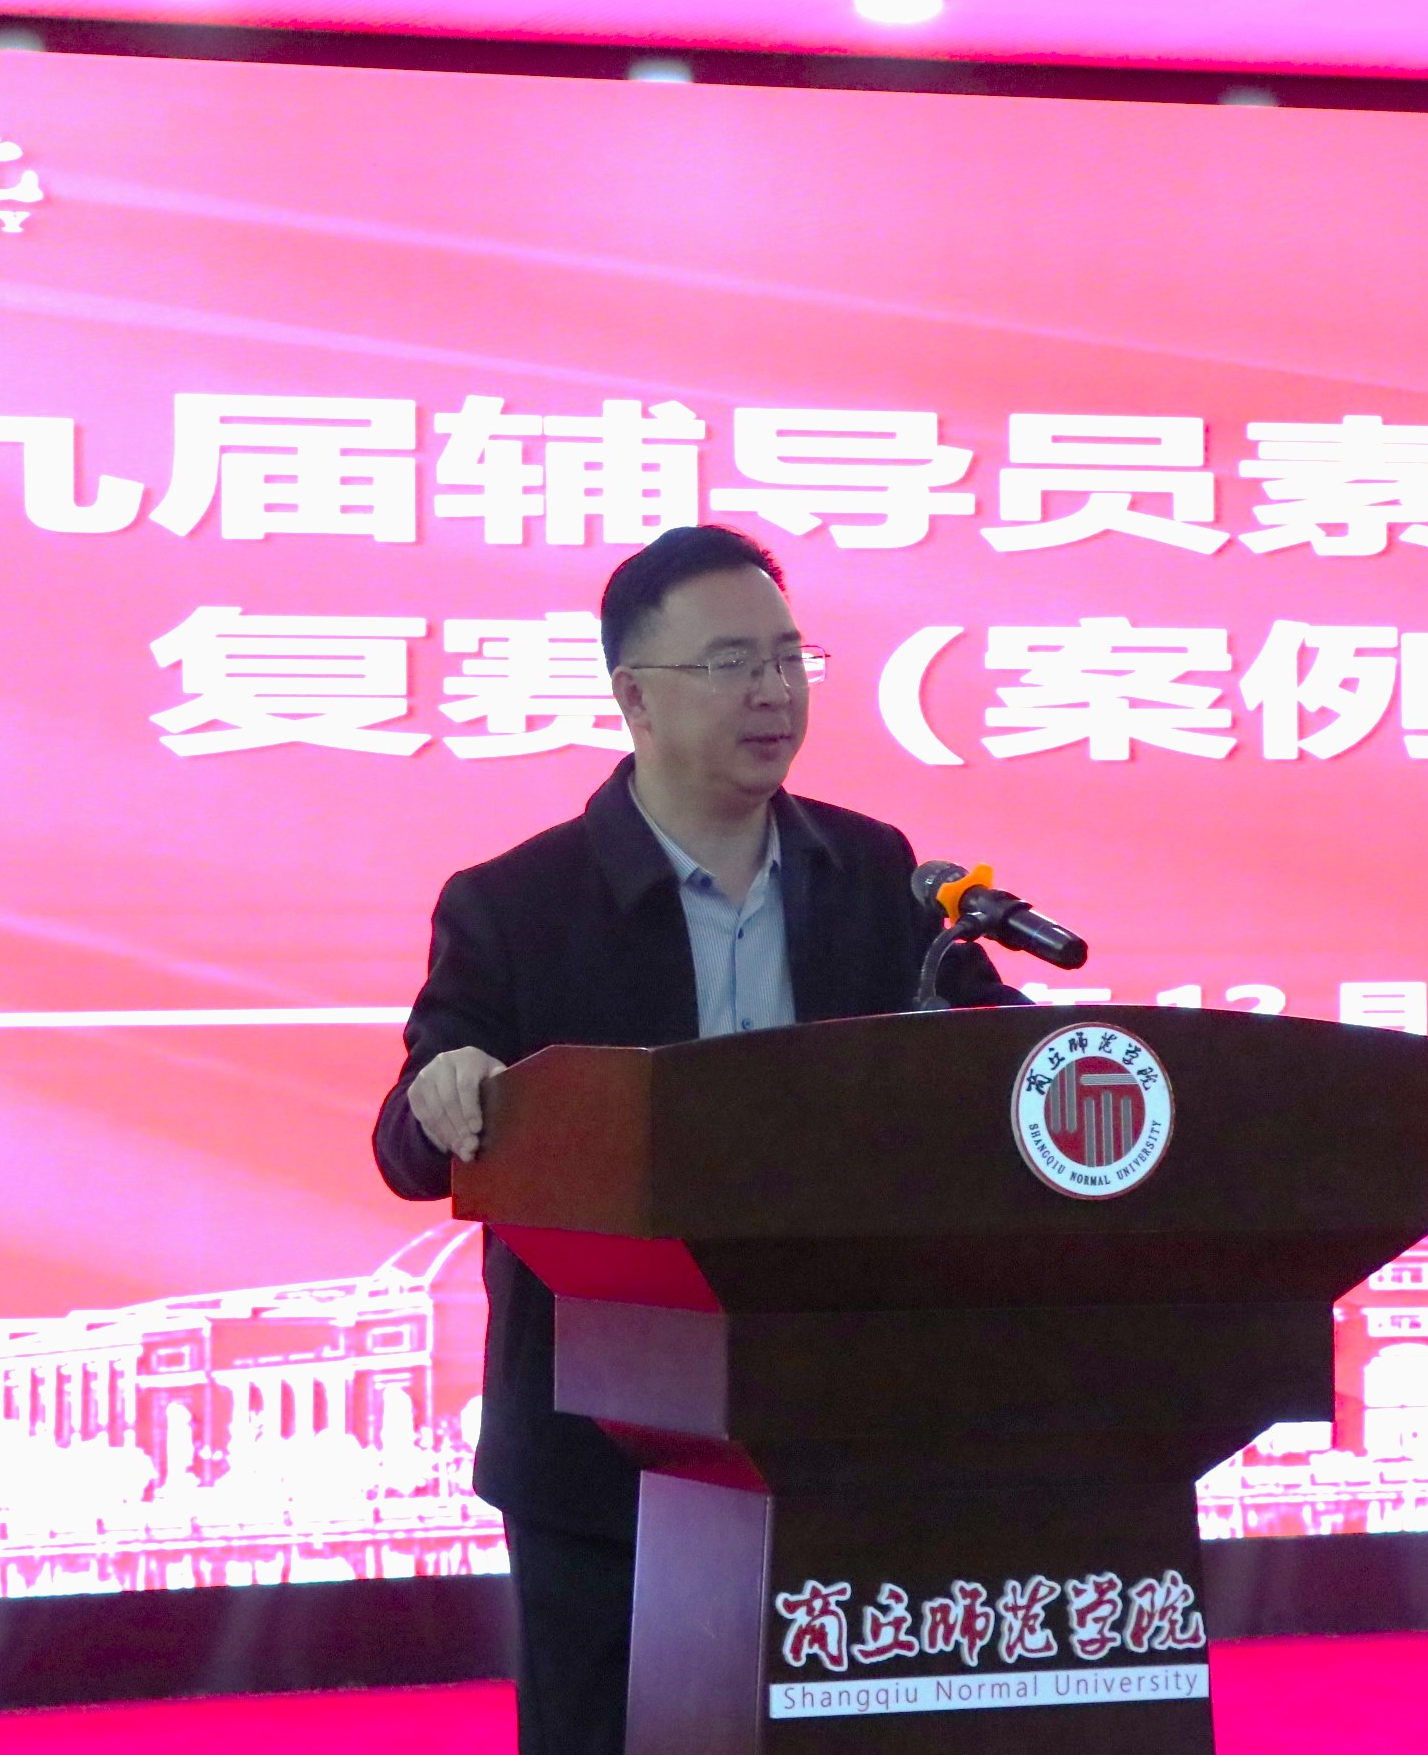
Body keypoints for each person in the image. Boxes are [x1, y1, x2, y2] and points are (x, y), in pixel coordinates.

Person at [371, 524, 1021, 1755]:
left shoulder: (874, 874)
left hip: (837, 1424)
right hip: (601, 1446)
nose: (773, 692)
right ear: (634, 698)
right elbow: (409, 1143)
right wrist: (447, 1089)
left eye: (787, 658)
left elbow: (991, 1062)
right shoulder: (515, 904)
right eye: (730, 663)